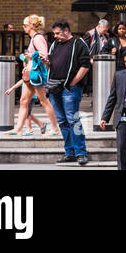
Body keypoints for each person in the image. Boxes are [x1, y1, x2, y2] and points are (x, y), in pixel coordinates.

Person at [48, 20, 92, 165]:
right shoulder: (55, 45)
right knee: (62, 121)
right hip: (55, 87)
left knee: (73, 120)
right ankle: (69, 152)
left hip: (69, 88)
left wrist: (73, 82)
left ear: (66, 31)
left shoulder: (78, 44)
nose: (55, 36)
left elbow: (85, 65)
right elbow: (53, 63)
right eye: (54, 33)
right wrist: (46, 62)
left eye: (58, 33)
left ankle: (81, 152)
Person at [18, 15, 61, 137]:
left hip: (36, 75)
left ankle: (54, 128)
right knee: (24, 101)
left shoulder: (37, 38)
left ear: (32, 26)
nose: (23, 27)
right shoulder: (33, 38)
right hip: (32, 74)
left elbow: (43, 55)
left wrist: (29, 56)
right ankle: (18, 129)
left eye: (25, 25)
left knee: (43, 101)